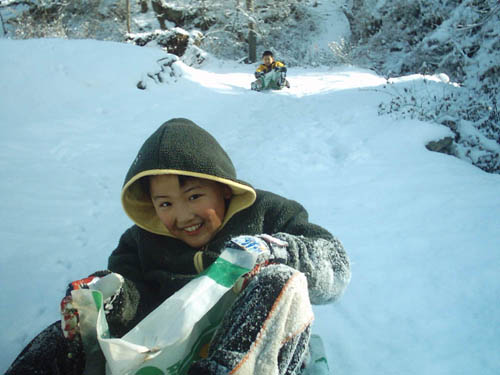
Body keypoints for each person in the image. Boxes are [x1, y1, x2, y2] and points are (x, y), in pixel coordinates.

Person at [6, 118, 351, 375]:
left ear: (225, 188)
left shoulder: (268, 213)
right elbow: (136, 300)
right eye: (166, 204)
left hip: (254, 350)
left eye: (194, 196)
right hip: (172, 353)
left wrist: (277, 249)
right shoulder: (140, 242)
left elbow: (335, 265)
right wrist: (108, 301)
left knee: (281, 280)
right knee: (67, 337)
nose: (183, 215)